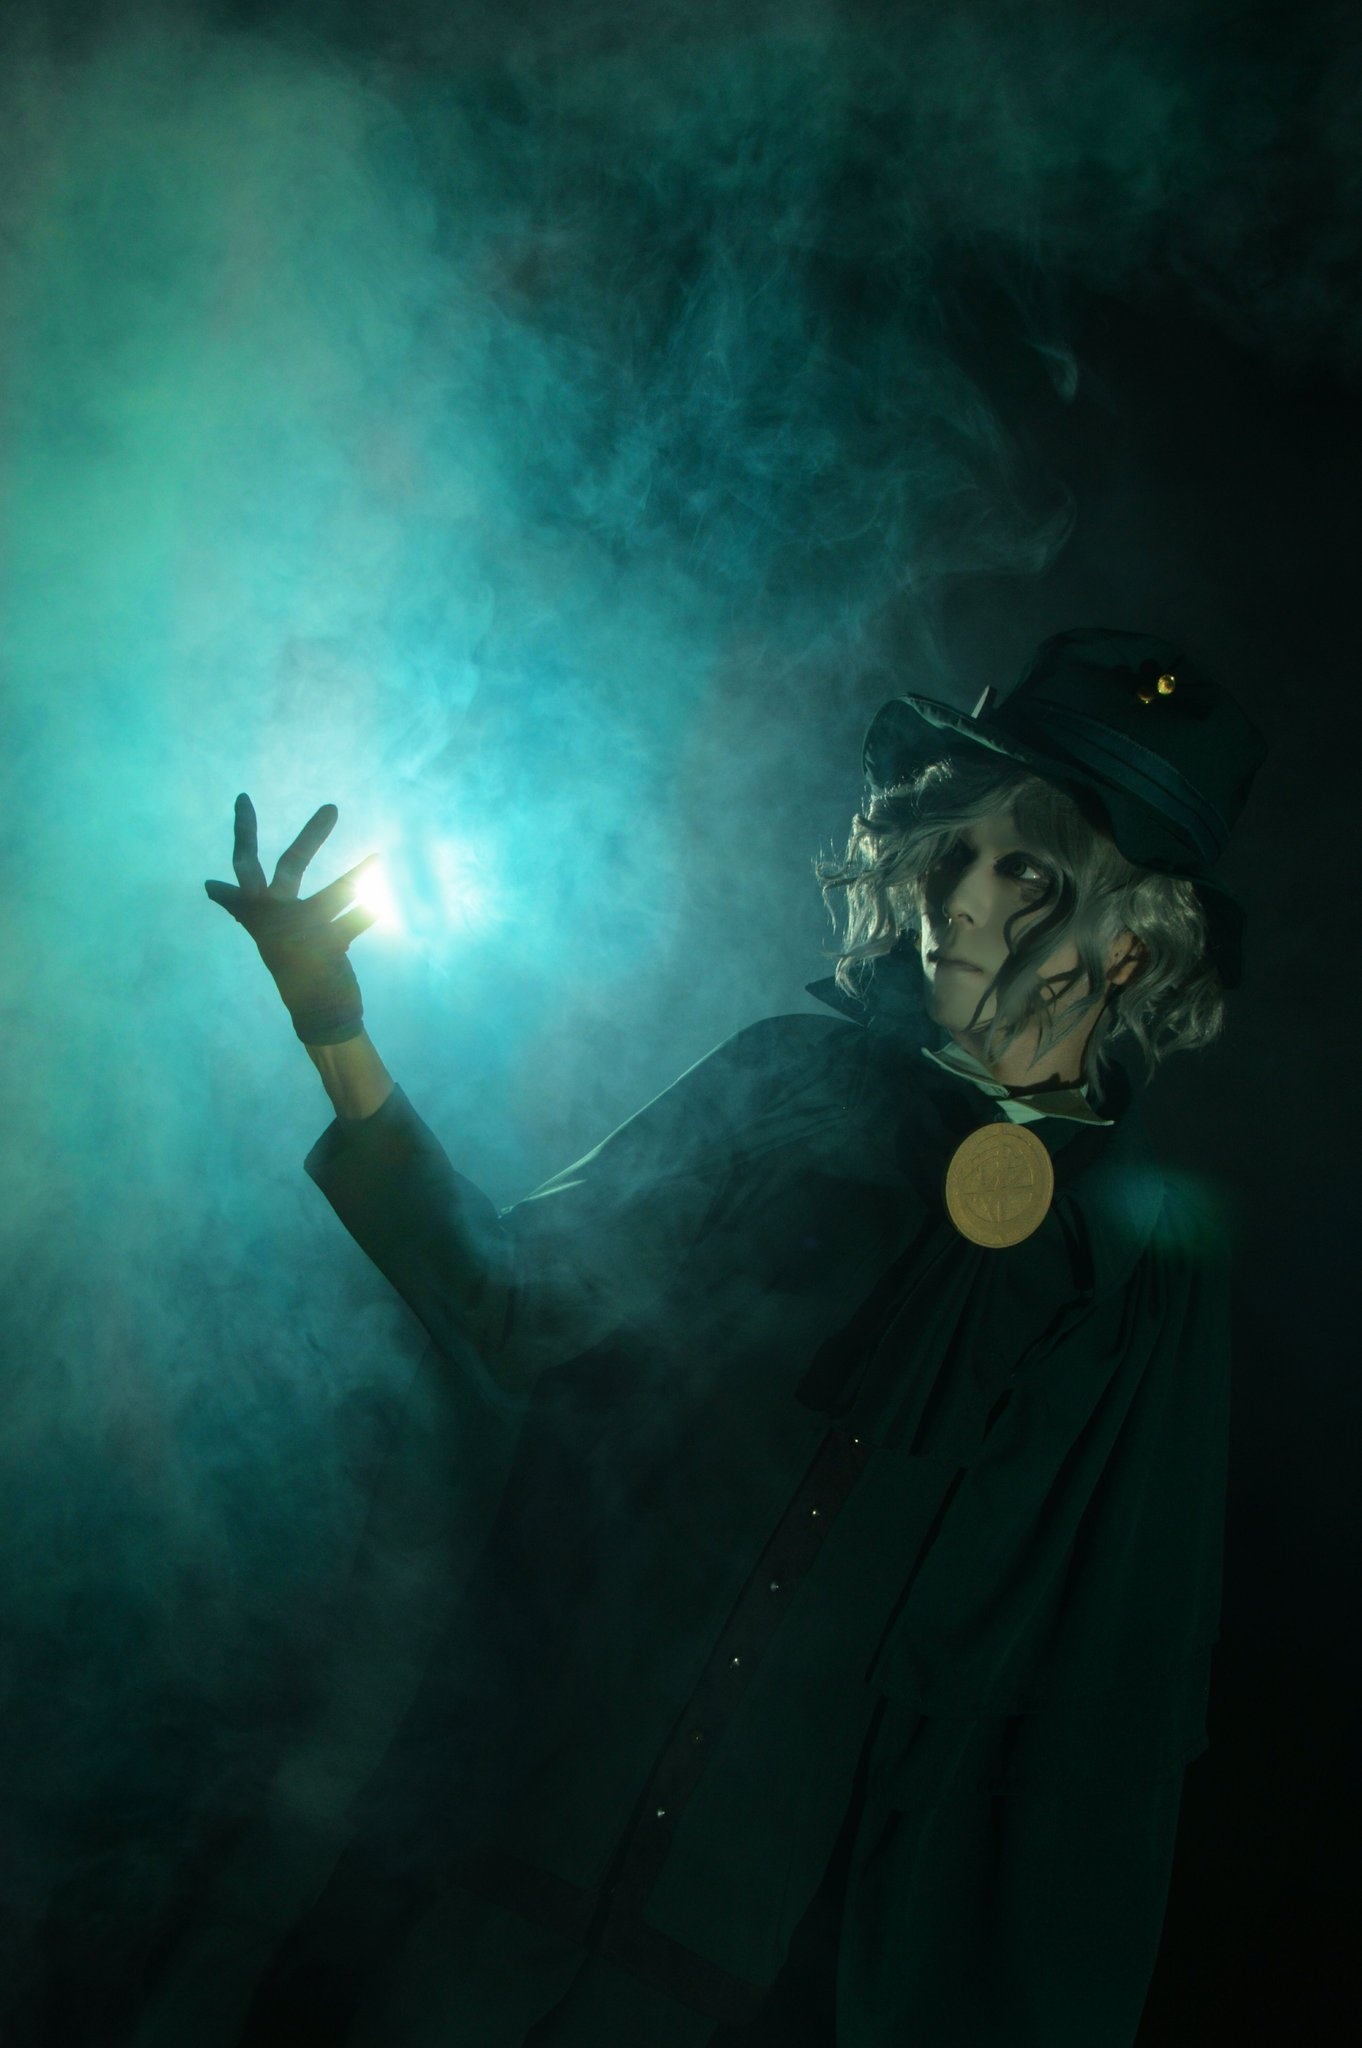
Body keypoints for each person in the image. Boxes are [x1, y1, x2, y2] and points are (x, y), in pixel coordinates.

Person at [200, 627, 1267, 2047]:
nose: (959, 894)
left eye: (1030, 872)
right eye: (955, 847)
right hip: (484, 1881)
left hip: (764, 1980)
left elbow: (1110, 1695)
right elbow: (513, 1302)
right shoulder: (790, 1079)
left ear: (1133, 939)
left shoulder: (1136, 1276)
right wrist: (333, 1025)